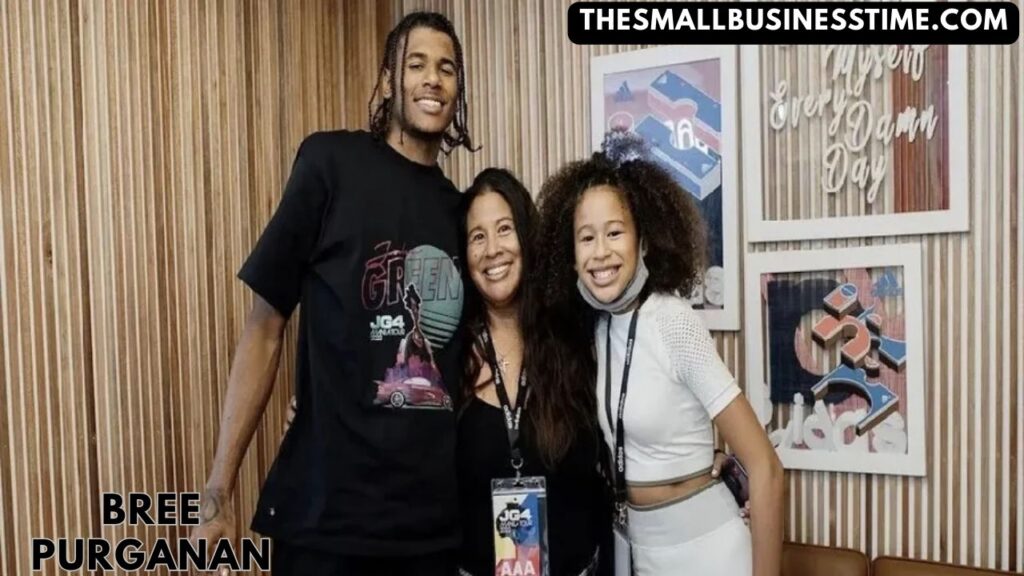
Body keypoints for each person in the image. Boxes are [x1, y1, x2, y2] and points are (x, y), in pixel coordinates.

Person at [189, 11, 476, 576]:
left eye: (447, 69)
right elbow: (264, 329)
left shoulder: (459, 213)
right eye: (416, 64)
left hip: (429, 532)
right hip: (325, 522)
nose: (432, 79)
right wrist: (217, 492)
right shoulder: (330, 164)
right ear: (388, 80)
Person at [535, 130, 784, 576]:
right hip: (642, 555)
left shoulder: (673, 321)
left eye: (615, 233)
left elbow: (766, 468)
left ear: (643, 241)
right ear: (570, 257)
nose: (600, 252)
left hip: (711, 554)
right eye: (586, 238)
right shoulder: (596, 331)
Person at [455, 168, 612, 576]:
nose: (493, 249)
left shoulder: (575, 336)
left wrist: (699, 462)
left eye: (504, 229)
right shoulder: (450, 354)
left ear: (526, 236)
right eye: (477, 237)